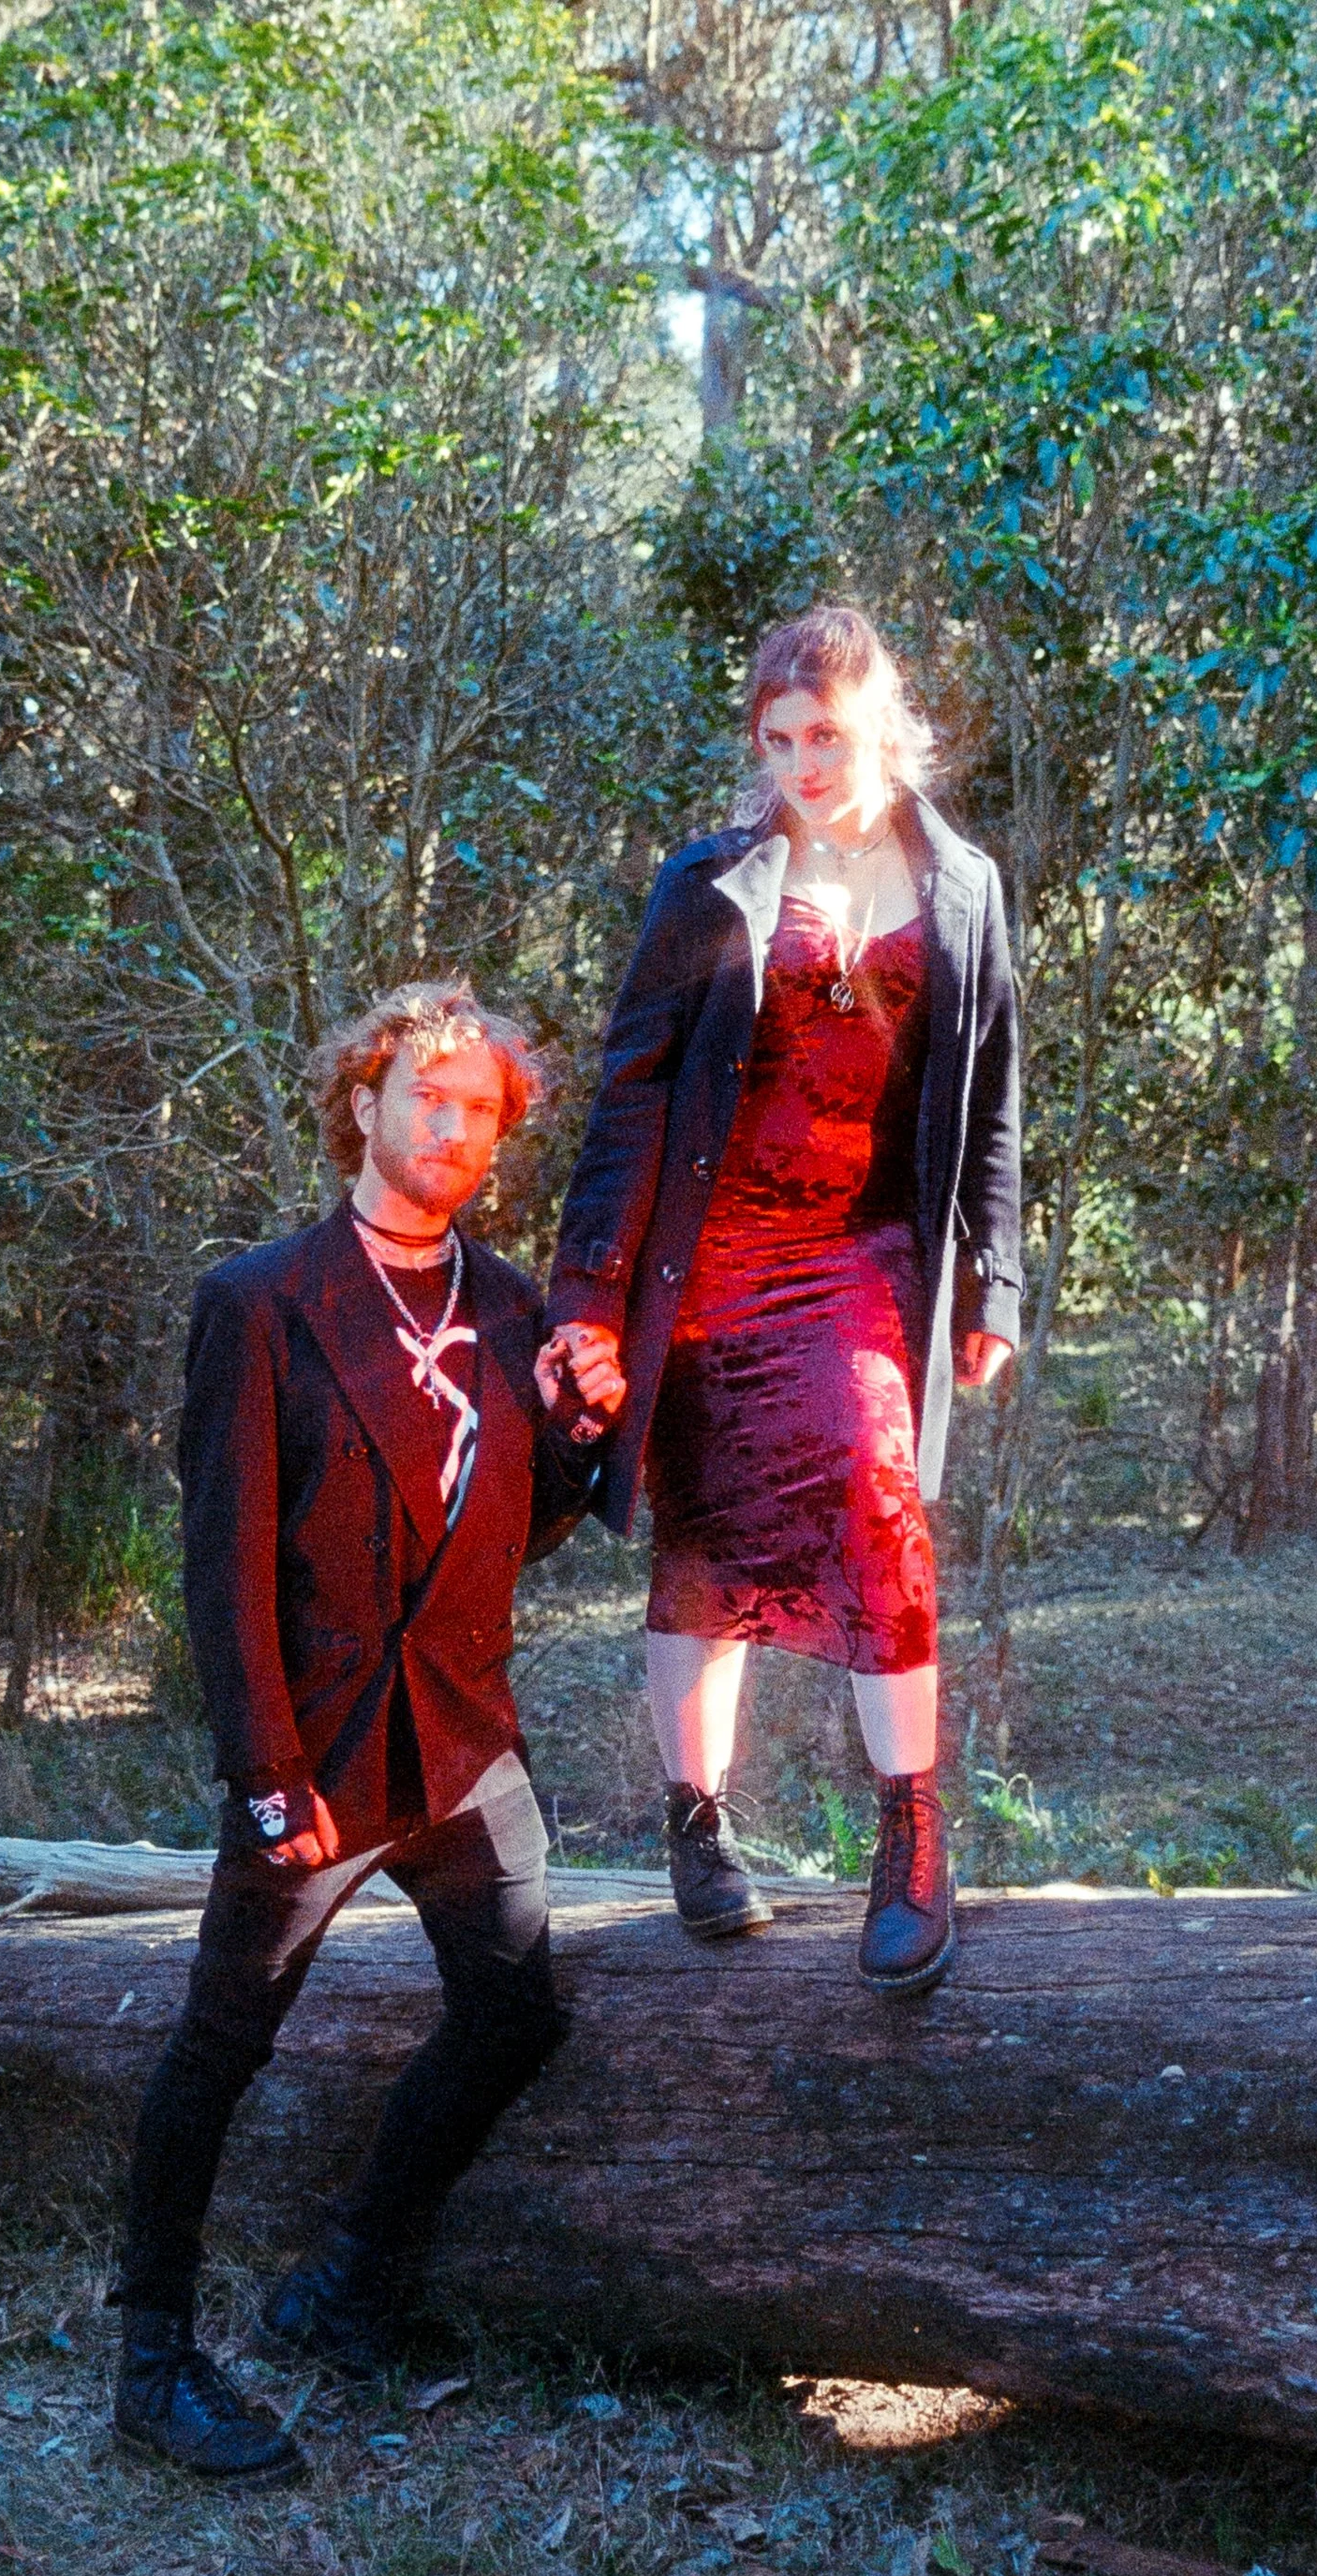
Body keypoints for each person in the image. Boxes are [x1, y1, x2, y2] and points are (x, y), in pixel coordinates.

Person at [112, 982, 606, 2485]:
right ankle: (151, 2366)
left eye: (480, 1112)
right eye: (428, 1099)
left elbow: (504, 1537)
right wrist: (263, 1776)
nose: (452, 1130)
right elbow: (226, 1563)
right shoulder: (261, 1301)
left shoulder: (515, 1305)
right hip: (316, 1748)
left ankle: (345, 2285)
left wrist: (580, 1435)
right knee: (220, 2045)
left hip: (461, 1740)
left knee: (518, 2011)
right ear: (367, 1102)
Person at [547, 604, 1022, 1999]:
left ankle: (912, 1830)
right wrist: (588, 1294)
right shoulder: (711, 882)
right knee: (701, 1537)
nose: (801, 762)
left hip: (863, 1256)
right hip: (713, 1258)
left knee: (880, 1496)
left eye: (825, 734)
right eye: (777, 737)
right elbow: (630, 1094)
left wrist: (992, 1277)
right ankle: (696, 1827)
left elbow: (989, 1103)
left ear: (880, 723)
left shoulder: (965, 886)